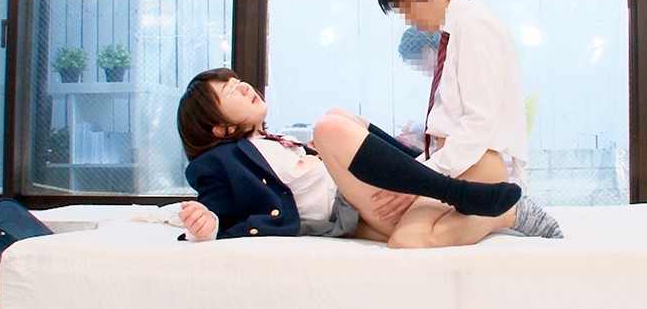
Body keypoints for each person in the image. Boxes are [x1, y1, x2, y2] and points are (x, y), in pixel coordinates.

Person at [176, 68, 522, 242]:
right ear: (218, 128)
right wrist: (205, 225)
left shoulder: (274, 140)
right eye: (231, 92)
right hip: (347, 209)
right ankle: (451, 190)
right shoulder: (219, 162)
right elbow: (215, 211)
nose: (243, 87)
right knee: (329, 127)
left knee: (335, 116)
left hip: (357, 194)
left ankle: (423, 165)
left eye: (238, 81)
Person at [372, 0, 562, 245]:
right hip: (461, 162)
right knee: (393, 228)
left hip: (478, 163)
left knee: (407, 240)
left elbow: (478, 124)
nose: (408, 20)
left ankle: (508, 212)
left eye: (406, 6)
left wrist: (422, 178)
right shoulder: (457, 29)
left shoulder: (475, 25)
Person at [396, 26, 441, 150]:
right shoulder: (441, 76)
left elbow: (448, 127)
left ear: (428, 51)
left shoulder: (449, 78)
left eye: (417, 62)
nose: (420, 69)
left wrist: (414, 129)